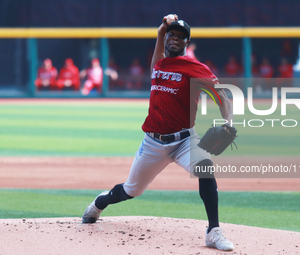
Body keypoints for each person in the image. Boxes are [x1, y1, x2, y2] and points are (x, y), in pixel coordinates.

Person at [82, 16, 234, 252]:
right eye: (171, 35)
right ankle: (98, 203)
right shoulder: (159, 65)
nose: (175, 39)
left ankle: (213, 231)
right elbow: (159, 45)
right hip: (153, 143)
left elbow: (223, 96)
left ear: (187, 42)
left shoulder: (194, 67)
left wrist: (228, 124)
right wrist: (162, 30)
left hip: (184, 140)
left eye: (180, 37)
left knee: (205, 168)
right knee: (131, 190)